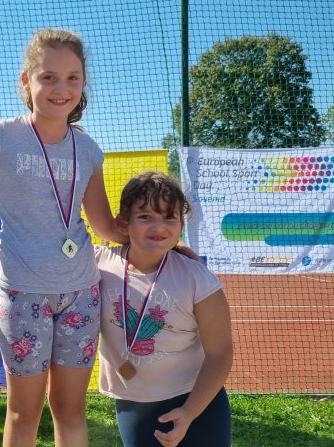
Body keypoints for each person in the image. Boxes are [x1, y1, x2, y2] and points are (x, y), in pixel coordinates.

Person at [0, 28, 125, 447]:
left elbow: (104, 227)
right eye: (48, 77)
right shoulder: (3, 137)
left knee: (69, 410)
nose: (60, 88)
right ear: (26, 81)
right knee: (22, 412)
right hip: (22, 295)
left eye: (72, 78)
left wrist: (160, 236)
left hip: (81, 295)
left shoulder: (88, 150)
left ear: (83, 84)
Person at [97, 171, 233, 447]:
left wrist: (189, 412)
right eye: (145, 216)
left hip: (198, 401)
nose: (159, 226)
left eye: (169, 217)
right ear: (123, 223)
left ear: (181, 224)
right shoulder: (97, 264)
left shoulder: (197, 278)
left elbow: (220, 354)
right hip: (133, 405)